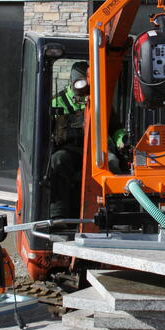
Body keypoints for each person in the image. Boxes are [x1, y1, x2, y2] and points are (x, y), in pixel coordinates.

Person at [48, 61, 126, 218]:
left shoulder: (101, 101)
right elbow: (46, 131)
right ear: (72, 82)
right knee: (58, 160)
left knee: (112, 162)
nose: (83, 94)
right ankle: (58, 215)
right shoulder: (57, 102)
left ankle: (115, 215)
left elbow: (116, 128)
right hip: (70, 151)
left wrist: (121, 140)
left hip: (98, 150)